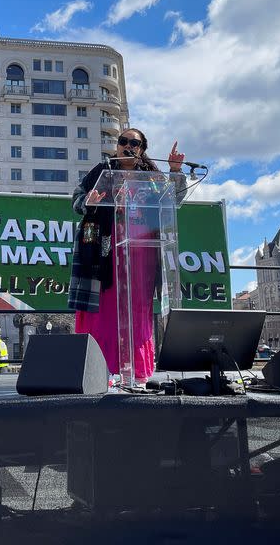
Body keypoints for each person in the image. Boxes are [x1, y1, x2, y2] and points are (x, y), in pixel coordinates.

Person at [68, 129, 185, 385]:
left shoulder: (152, 177)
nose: (127, 146)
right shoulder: (102, 171)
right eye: (123, 141)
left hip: (142, 254)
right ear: (117, 145)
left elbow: (172, 203)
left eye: (135, 143)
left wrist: (175, 172)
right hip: (105, 253)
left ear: (142, 149)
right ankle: (99, 372)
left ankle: (136, 371)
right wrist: (88, 201)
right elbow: (76, 201)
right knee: (104, 314)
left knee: (138, 314)